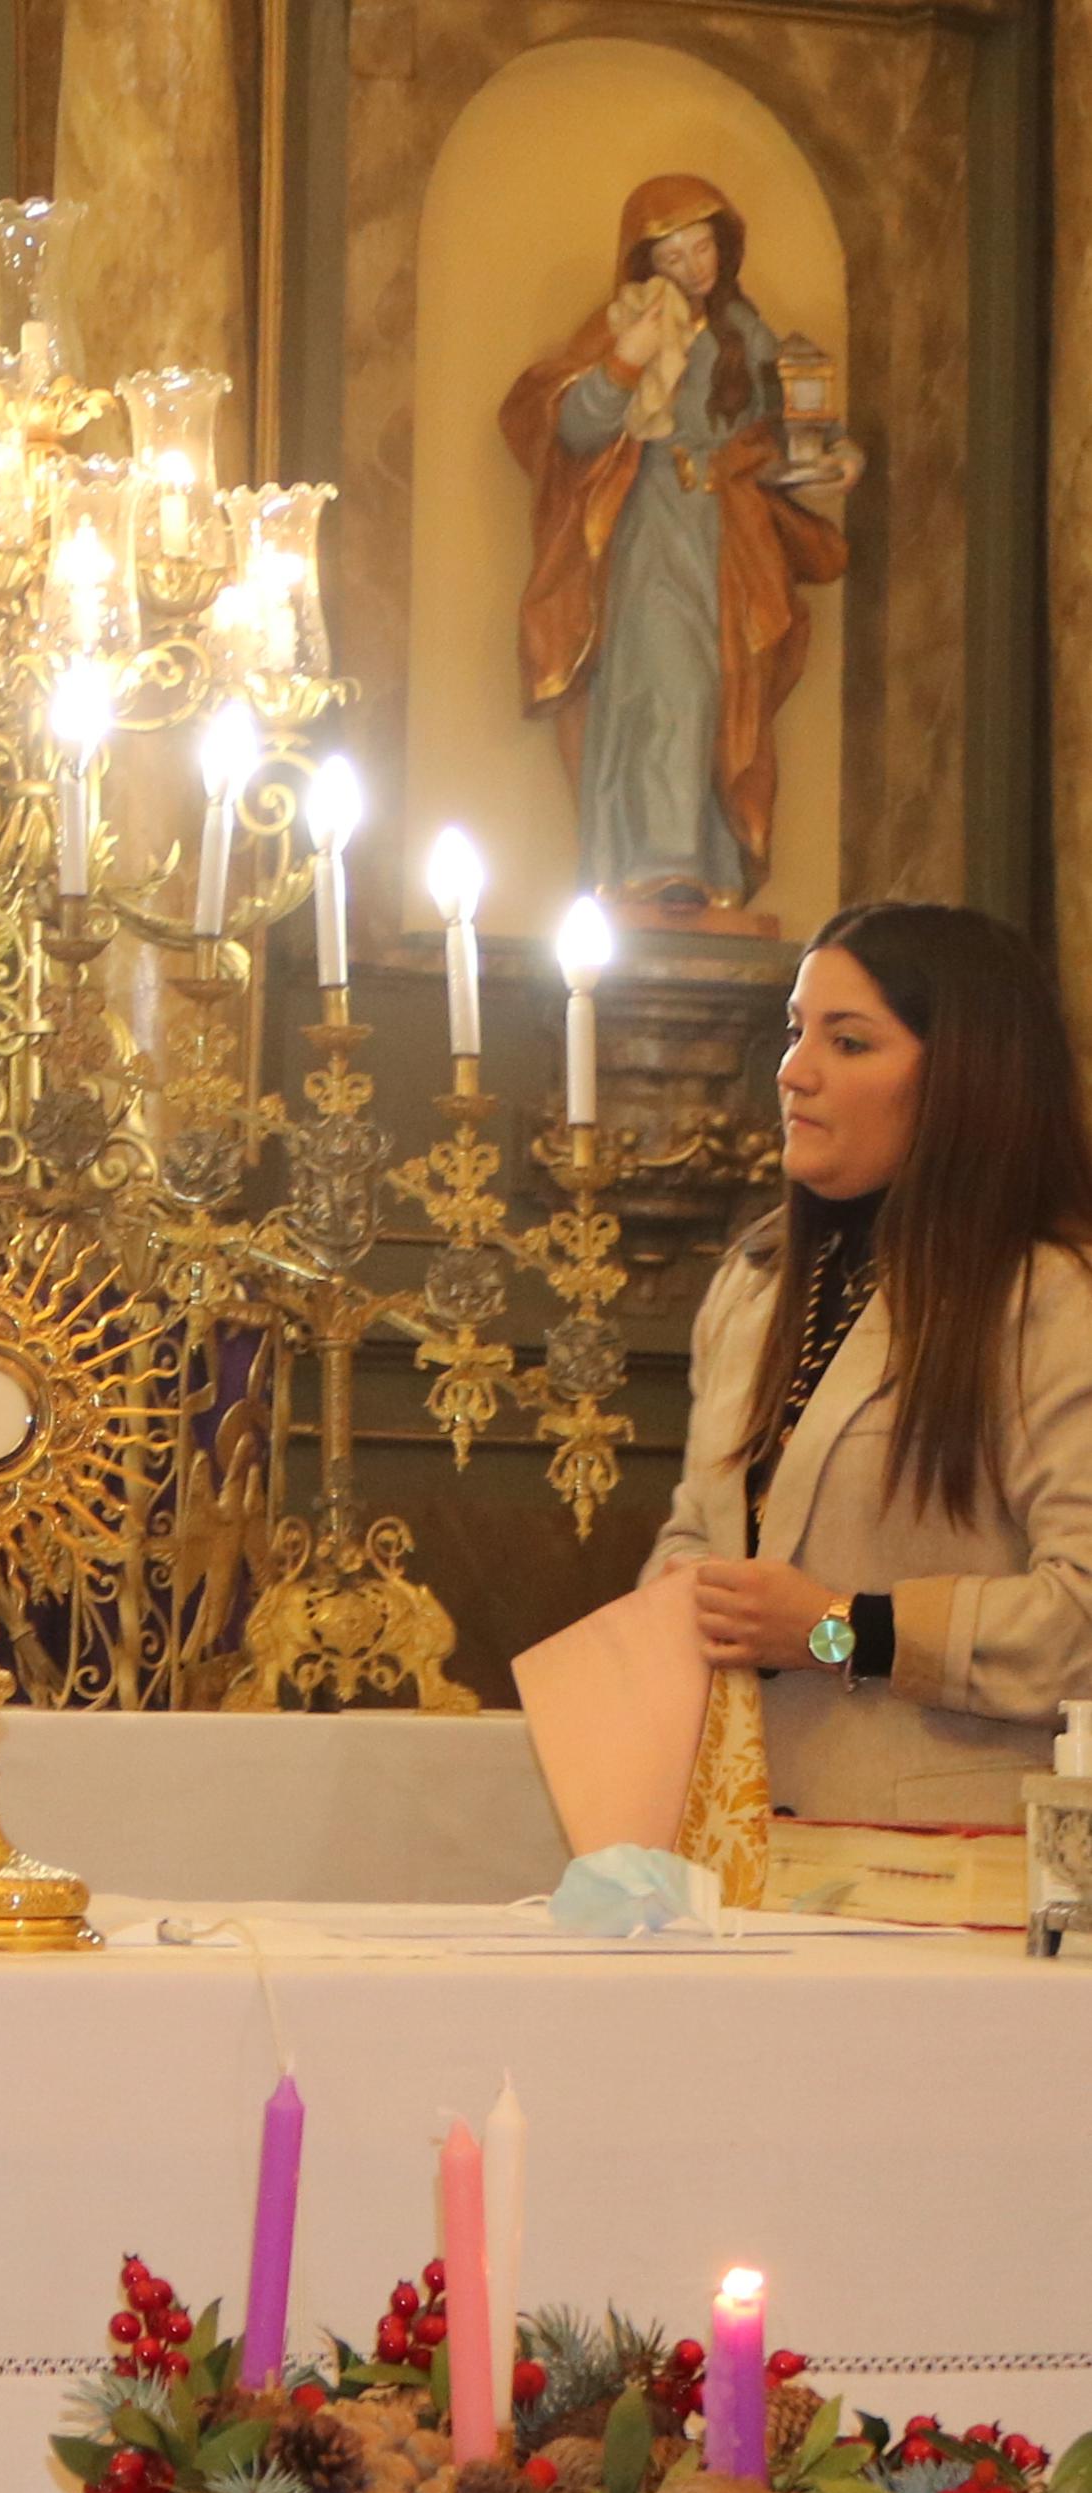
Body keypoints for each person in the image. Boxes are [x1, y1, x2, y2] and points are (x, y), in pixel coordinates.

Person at [648, 903, 1092, 1821]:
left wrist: (835, 1627)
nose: (791, 1071)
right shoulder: (755, 1283)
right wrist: (686, 1598)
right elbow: (696, 1527)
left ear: (964, 1078)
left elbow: (1078, 1621)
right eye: (794, 1029)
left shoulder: (1047, 1298)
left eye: (847, 1043)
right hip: (741, 1841)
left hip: (953, 1857)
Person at [500, 176, 855, 917]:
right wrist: (626, 358)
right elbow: (572, 429)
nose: (693, 266)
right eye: (672, 253)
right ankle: (653, 864)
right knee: (668, 686)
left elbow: (779, 428)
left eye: (702, 247)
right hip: (650, 530)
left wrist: (832, 457)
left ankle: (709, 862)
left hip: (725, 537)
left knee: (727, 694)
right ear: (643, 262)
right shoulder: (622, 325)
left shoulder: (745, 335)